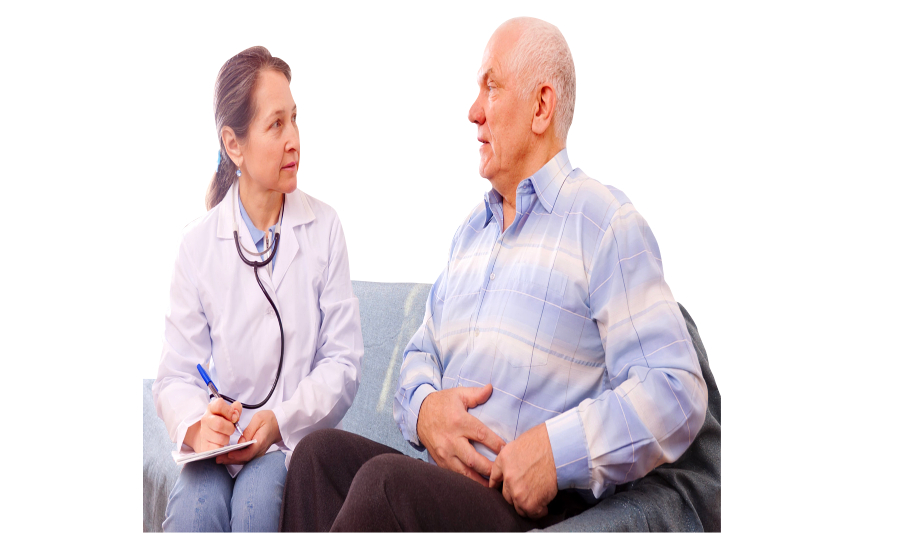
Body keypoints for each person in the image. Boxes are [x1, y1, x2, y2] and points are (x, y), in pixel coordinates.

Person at [280, 17, 709, 532]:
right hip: (446, 488)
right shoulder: (470, 235)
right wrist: (424, 411)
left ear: (541, 106)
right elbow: (421, 355)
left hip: (524, 507)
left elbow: (676, 389)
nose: (473, 111)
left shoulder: (603, 222)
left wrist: (556, 451)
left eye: (491, 86)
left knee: (384, 486)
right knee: (316, 456)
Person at [152, 46, 363, 532]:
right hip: (217, 448)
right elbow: (175, 376)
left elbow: (344, 362)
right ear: (234, 145)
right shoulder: (197, 245)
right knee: (194, 508)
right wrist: (198, 424)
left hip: (286, 440)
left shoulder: (324, 228)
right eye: (276, 125)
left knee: (256, 501)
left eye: (295, 120)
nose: (294, 140)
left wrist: (279, 420)